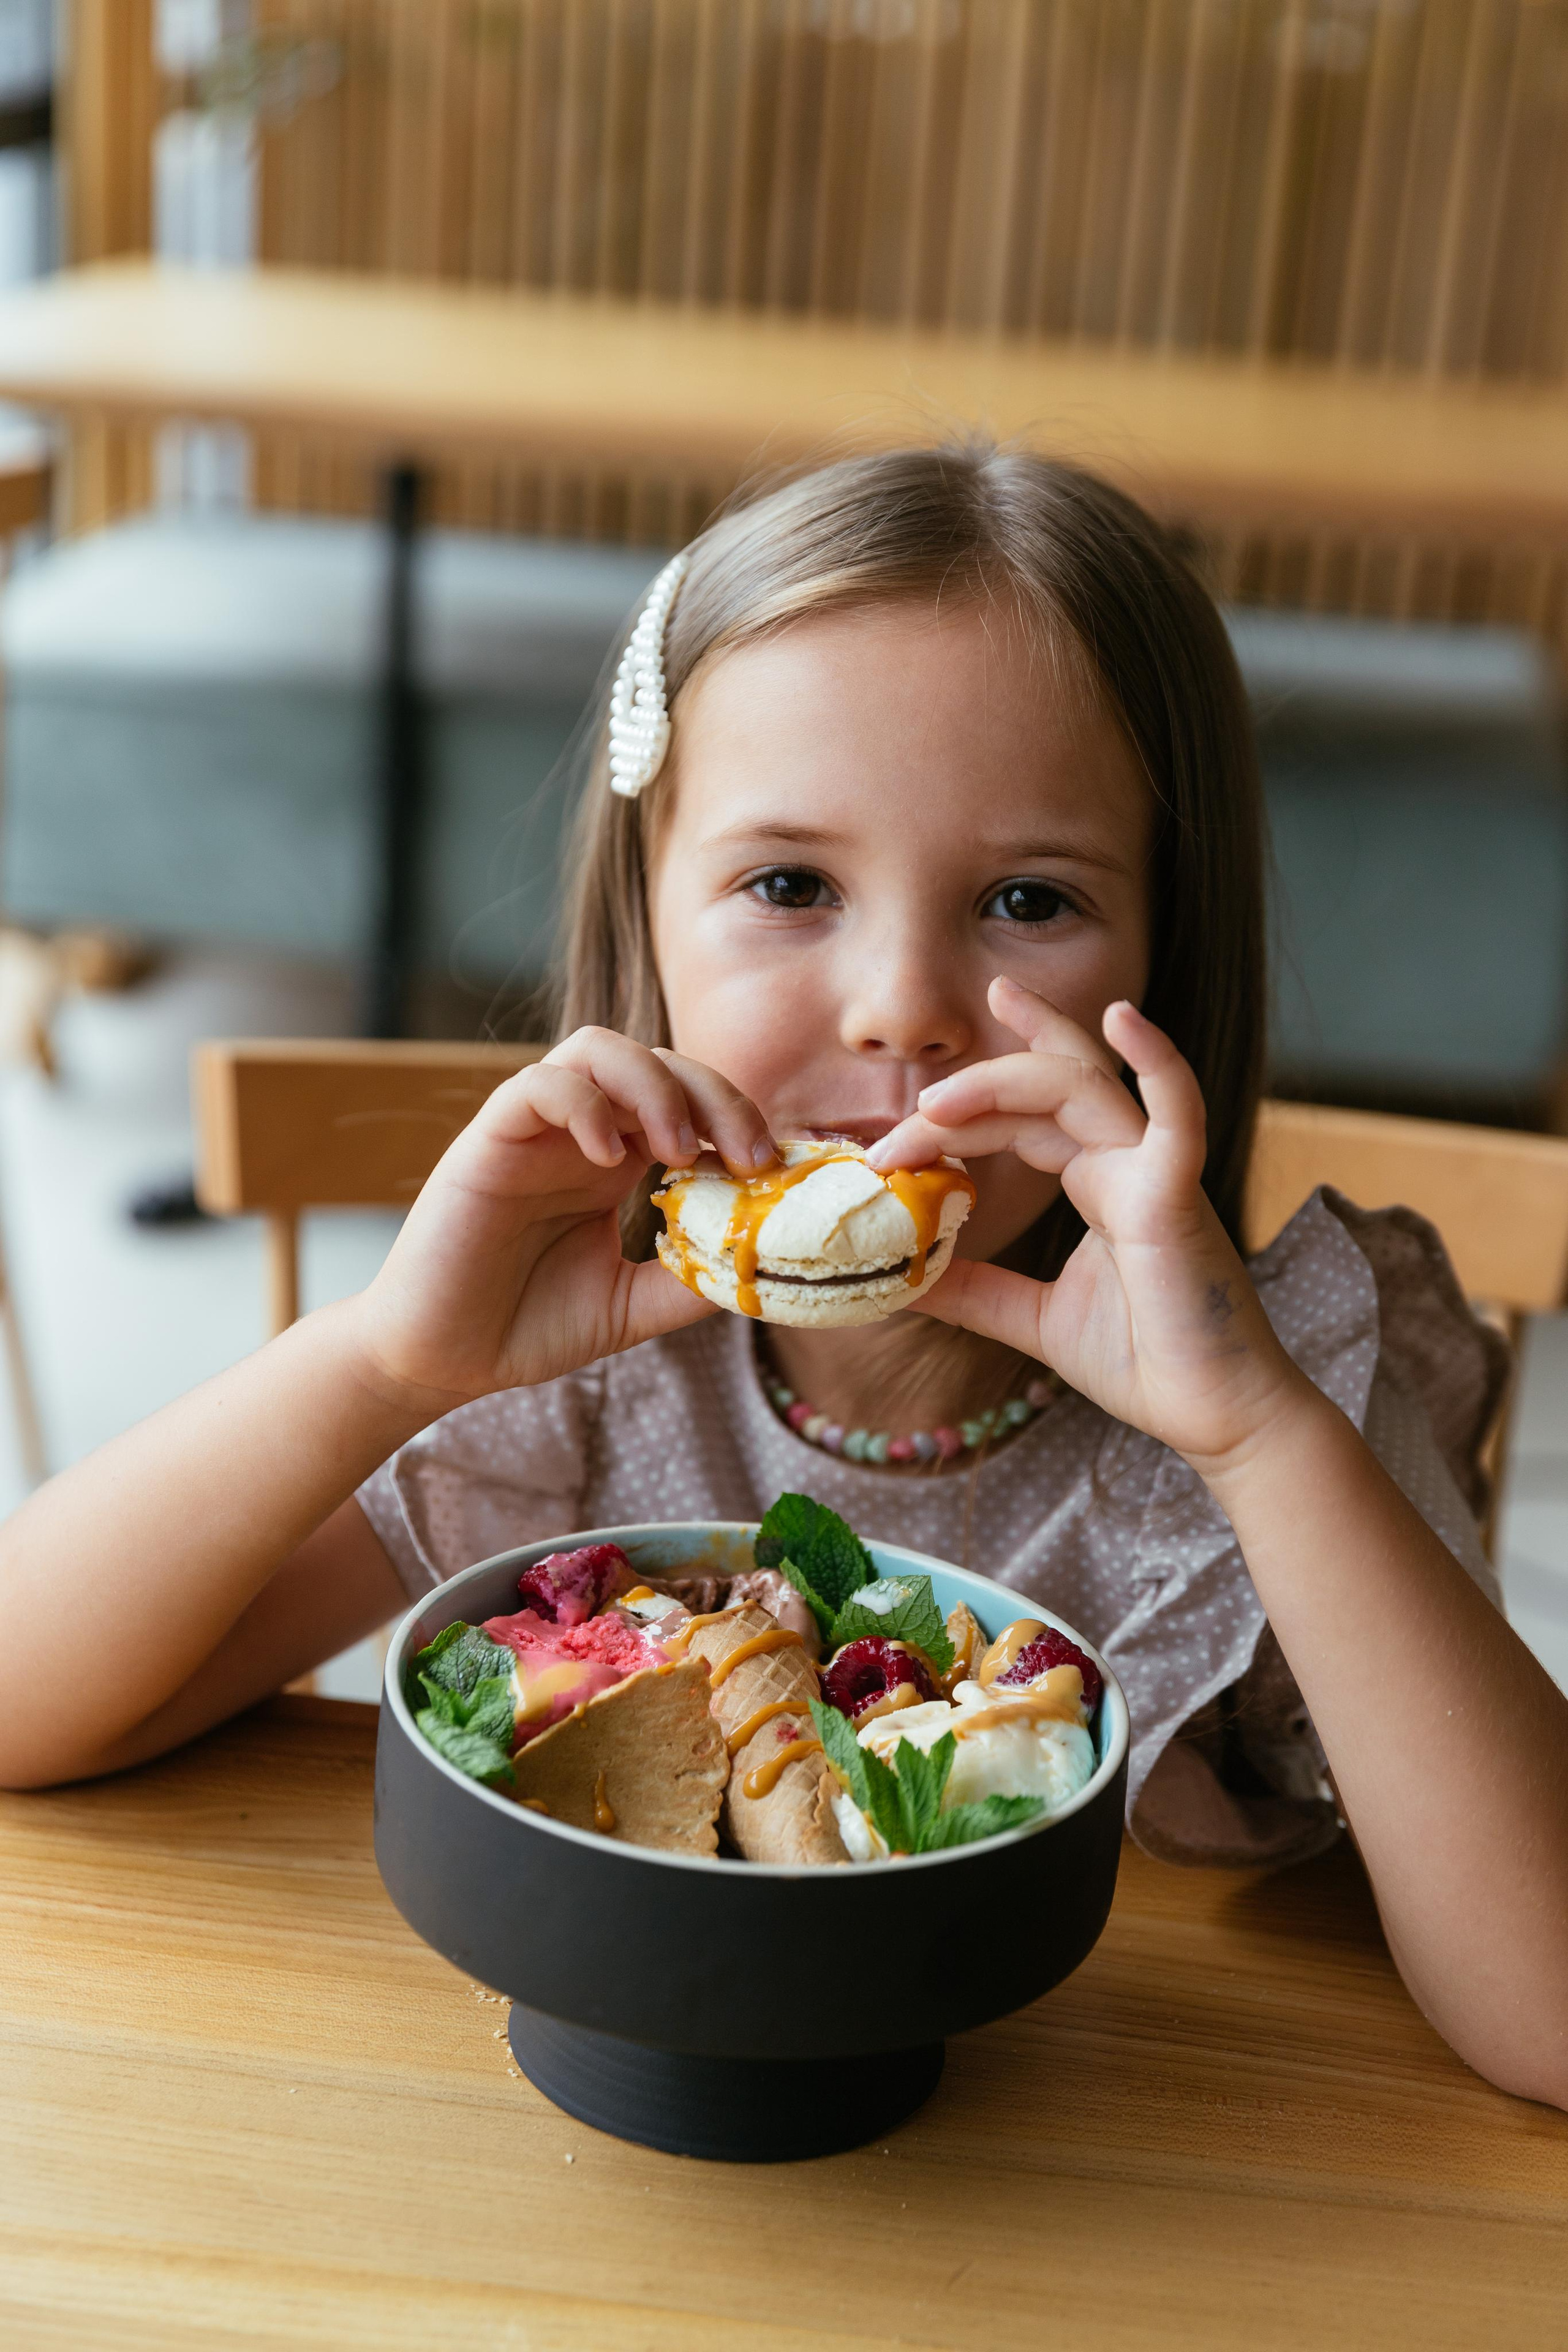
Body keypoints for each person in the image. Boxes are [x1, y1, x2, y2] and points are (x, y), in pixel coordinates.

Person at [3, 445, 1564, 2105]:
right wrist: (387, 1362)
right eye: (790, 886)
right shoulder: (569, 1386)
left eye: (1030, 900)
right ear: (651, 925)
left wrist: (1257, 1436)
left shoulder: (1284, 1387)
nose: (903, 1003)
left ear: (1168, 965)